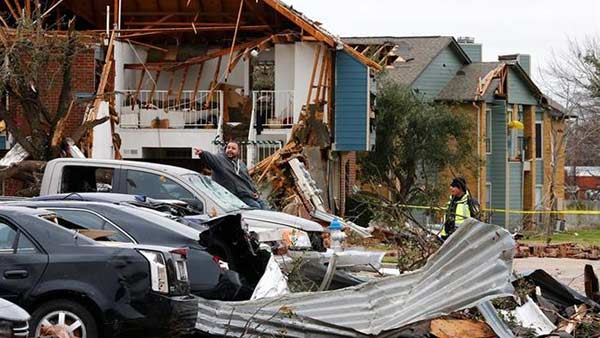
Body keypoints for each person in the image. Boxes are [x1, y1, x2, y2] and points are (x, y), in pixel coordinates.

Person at [194, 141, 268, 209]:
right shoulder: (220, 161)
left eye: (233, 148)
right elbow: (211, 158)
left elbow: (248, 180)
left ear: (238, 152)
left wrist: (254, 192)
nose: (230, 150)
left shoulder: (241, 164)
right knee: (255, 206)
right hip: (233, 196)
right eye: (228, 147)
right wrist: (202, 153)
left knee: (264, 204)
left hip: (246, 193)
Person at [440, 177, 472, 241]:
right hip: (446, 237)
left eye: (454, 186)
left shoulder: (470, 203)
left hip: (462, 239)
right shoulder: (450, 202)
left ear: (460, 188)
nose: (451, 188)